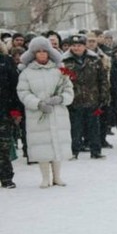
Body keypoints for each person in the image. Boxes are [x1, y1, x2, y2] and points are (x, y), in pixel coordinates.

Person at [16, 37, 74, 188]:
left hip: (57, 113)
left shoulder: (60, 70)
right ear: (33, 54)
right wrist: (38, 103)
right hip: (38, 114)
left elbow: (69, 89)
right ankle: (45, 177)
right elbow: (23, 92)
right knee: (42, 146)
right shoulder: (26, 73)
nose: (42, 54)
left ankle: (57, 177)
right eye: (38, 52)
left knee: (57, 144)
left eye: (44, 51)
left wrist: (61, 98)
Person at [63, 34, 110, 159]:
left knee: (94, 127)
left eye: (79, 45)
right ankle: (74, 151)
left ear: (85, 46)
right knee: (75, 128)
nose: (76, 48)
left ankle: (96, 151)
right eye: (74, 45)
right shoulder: (65, 62)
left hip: (92, 99)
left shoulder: (94, 59)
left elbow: (102, 79)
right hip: (74, 100)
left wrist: (104, 95)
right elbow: (62, 81)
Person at [1, 47, 24, 188]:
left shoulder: (6, 61)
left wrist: (16, 111)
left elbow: (15, 87)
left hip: (4, 110)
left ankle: (6, 177)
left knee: (3, 147)